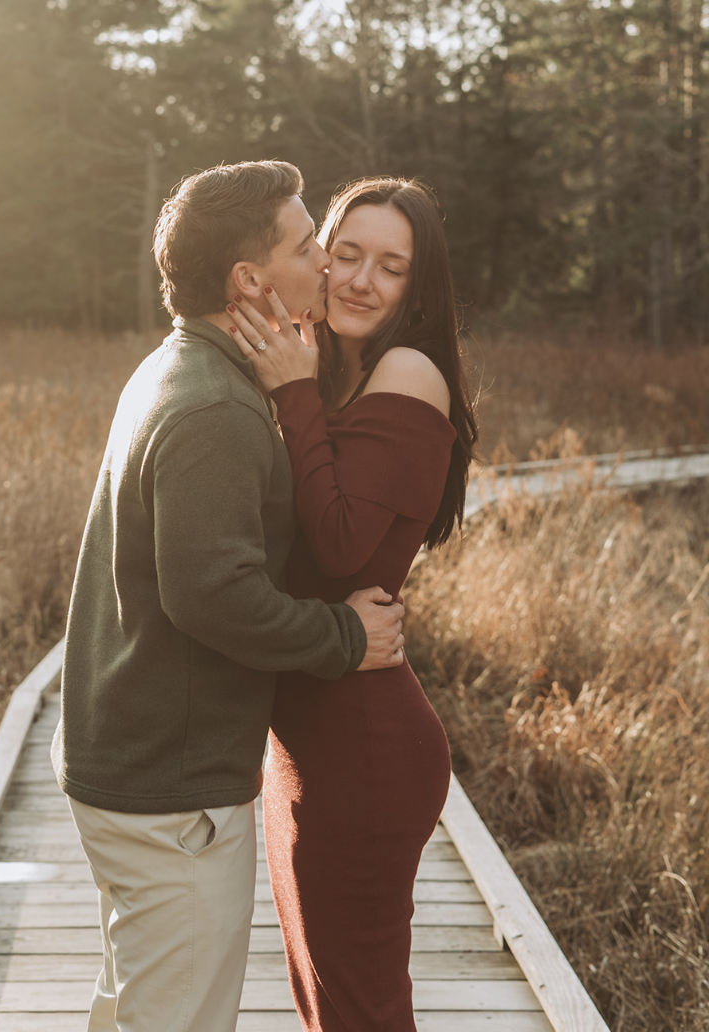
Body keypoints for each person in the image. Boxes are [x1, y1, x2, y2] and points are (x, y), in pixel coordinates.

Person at [50, 160, 407, 1032]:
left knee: (137, 1007)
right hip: (170, 791)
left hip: (131, 765)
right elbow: (214, 596)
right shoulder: (214, 409)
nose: (326, 261)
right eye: (308, 245)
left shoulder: (179, 367)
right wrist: (346, 636)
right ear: (249, 280)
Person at [227, 176, 478, 1032]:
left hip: (363, 750)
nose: (362, 281)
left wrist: (293, 394)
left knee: (361, 1012)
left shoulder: (408, 372)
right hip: (307, 740)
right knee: (327, 1008)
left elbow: (337, 548)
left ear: (419, 289)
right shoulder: (333, 371)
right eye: (347, 254)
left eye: (392, 267)